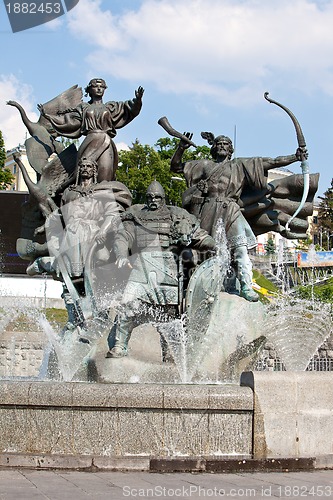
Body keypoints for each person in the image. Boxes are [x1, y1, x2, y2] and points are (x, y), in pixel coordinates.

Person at [170, 132, 308, 302]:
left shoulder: (240, 165)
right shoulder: (204, 165)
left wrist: (295, 157)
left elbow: (272, 162)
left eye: (225, 144)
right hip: (207, 210)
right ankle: (197, 286)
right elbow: (176, 167)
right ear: (213, 148)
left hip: (231, 209)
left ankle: (245, 285)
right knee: (203, 251)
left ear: (231, 149)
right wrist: (181, 148)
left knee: (240, 249)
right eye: (219, 143)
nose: (221, 145)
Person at [106, 180, 216, 359]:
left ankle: (171, 353)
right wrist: (121, 255)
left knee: (169, 317)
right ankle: (120, 346)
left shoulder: (177, 218)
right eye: (150, 197)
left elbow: (205, 239)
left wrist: (193, 241)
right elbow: (122, 237)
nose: (153, 200)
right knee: (128, 305)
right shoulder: (135, 217)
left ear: (163, 199)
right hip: (141, 270)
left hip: (169, 272)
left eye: (157, 197)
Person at [38, 78, 144, 182]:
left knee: (105, 174)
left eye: (102, 86)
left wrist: (138, 101)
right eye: (95, 86)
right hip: (89, 142)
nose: (99, 89)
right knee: (83, 174)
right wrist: (48, 116)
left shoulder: (111, 107)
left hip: (105, 143)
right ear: (89, 90)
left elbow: (129, 110)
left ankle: (105, 197)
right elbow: (69, 122)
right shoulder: (83, 108)